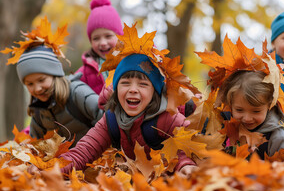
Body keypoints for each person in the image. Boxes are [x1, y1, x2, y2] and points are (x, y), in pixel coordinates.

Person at [59, 54, 197, 176]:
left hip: (165, 183)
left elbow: (184, 148)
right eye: (125, 83)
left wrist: (185, 165)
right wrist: (53, 169)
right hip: (137, 181)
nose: (133, 90)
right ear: (115, 88)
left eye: (143, 84)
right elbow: (85, 150)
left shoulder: (167, 116)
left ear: (154, 92)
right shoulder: (112, 119)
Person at [16, 45, 104, 147]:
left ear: (55, 74)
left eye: (41, 80)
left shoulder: (77, 92)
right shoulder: (38, 111)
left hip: (96, 156)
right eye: (30, 84)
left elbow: (106, 119)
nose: (37, 89)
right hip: (64, 162)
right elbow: (36, 145)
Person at [218, 70, 284, 159]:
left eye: (256, 111)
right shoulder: (223, 124)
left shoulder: (277, 138)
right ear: (230, 105)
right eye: (239, 110)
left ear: (270, 106)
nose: (247, 118)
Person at [75, 0, 123, 96]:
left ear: (119, 36)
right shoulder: (85, 72)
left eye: (108, 36)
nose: (103, 43)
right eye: (96, 38)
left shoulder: (131, 60)